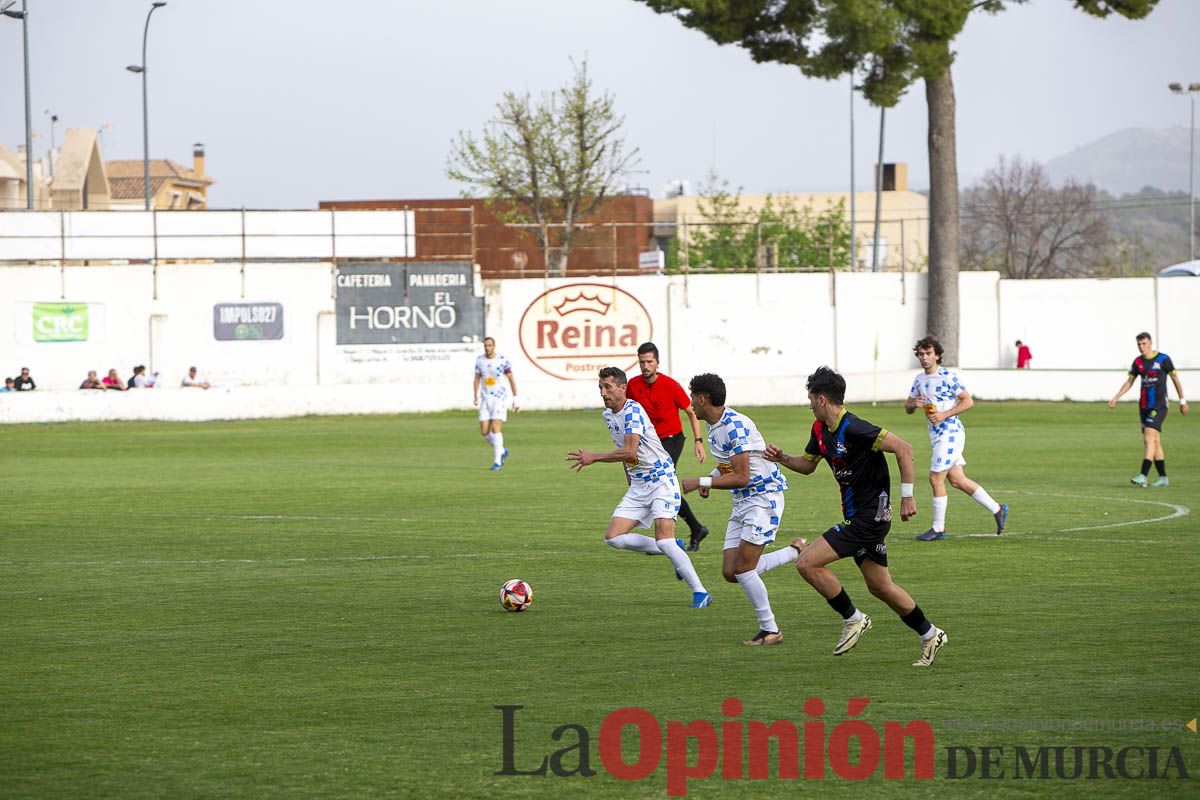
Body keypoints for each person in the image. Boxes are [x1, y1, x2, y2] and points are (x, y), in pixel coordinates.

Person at [765, 366, 948, 667]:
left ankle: (853, 618)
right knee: (880, 587)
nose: (808, 403)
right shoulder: (820, 430)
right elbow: (809, 465)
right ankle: (930, 634)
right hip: (859, 516)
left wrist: (907, 496)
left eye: (810, 397)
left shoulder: (855, 427)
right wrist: (783, 458)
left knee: (806, 562)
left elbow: (903, 448)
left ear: (822, 399)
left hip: (871, 516)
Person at [567, 366, 712, 609]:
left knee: (664, 540)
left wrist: (594, 457)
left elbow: (630, 450)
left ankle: (701, 592)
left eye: (608, 387)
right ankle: (673, 548)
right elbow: (627, 455)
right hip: (639, 484)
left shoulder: (632, 410)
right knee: (613, 537)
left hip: (661, 480)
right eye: (600, 387)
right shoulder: (608, 415)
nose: (603, 393)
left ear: (623, 388)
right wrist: (631, 482)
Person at [679, 373, 803, 645]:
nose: (690, 404)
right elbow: (730, 465)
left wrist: (701, 480)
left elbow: (743, 476)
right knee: (730, 572)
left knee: (745, 569)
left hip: (763, 497)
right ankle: (795, 552)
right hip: (743, 501)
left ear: (702, 399)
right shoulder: (715, 424)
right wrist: (712, 477)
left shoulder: (734, 425)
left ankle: (770, 630)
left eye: (692, 398)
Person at [905, 335, 1008, 540]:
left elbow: (968, 401)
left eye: (928, 353)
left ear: (938, 355)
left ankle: (938, 529)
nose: (924, 358)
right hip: (936, 435)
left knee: (935, 477)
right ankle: (997, 509)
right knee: (957, 480)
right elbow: (908, 406)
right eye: (921, 354)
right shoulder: (919, 379)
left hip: (950, 433)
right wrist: (913, 405)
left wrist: (944, 414)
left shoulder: (947, 376)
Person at [626, 342, 710, 551]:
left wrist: (698, 441)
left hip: (672, 439)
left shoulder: (670, 385)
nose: (645, 366)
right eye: (642, 362)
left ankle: (669, 539)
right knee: (661, 486)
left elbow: (691, 412)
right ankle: (693, 529)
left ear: (657, 362)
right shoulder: (633, 385)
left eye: (649, 362)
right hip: (649, 443)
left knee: (661, 483)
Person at [1108, 332, 1188, 487]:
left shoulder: (1163, 359)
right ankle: (1163, 477)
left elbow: (1175, 379)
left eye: (1144, 343)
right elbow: (1129, 381)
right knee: (1155, 441)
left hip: (1159, 405)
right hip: (1144, 406)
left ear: (1151, 343)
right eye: (1139, 344)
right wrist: (1116, 397)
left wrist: (1182, 401)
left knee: (1148, 438)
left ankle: (1143, 475)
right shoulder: (1138, 362)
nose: (1141, 347)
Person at [473, 337, 518, 470]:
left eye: (490, 345)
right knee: (485, 432)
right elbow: (476, 379)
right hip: (485, 398)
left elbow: (511, 379)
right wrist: (475, 395)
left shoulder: (502, 360)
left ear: (494, 346)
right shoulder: (480, 361)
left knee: (496, 428)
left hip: (499, 398)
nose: (487, 348)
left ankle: (497, 461)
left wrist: (516, 398)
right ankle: (502, 451)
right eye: (485, 346)